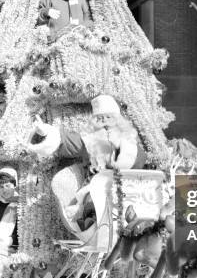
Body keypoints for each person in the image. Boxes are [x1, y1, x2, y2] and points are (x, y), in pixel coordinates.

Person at [28, 95, 146, 248]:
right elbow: (66, 141)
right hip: (95, 187)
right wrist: (46, 133)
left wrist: (121, 150)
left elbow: (139, 162)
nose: (105, 123)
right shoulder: (90, 141)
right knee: (92, 202)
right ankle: (96, 233)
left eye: (109, 118)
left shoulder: (130, 143)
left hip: (125, 189)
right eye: (100, 118)